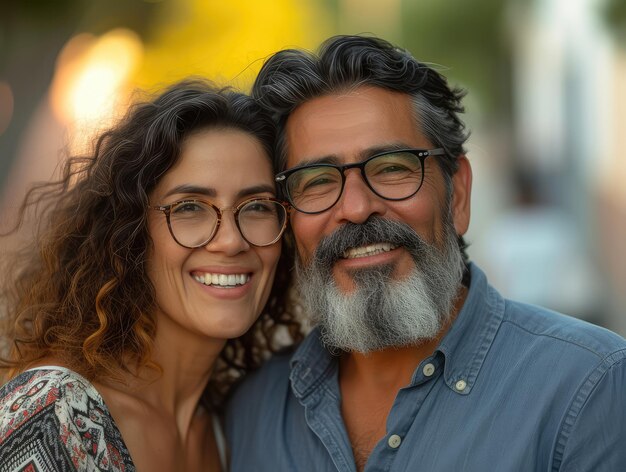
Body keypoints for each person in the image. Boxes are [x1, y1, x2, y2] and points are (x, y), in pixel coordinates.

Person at [225, 35, 626, 471]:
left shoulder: (590, 388)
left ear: (458, 195)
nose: (357, 209)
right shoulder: (251, 411)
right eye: (317, 180)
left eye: (393, 167)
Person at [0, 80, 301, 471]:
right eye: (190, 207)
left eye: (257, 206)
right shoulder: (53, 416)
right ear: (130, 232)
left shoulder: (231, 431)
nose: (230, 241)